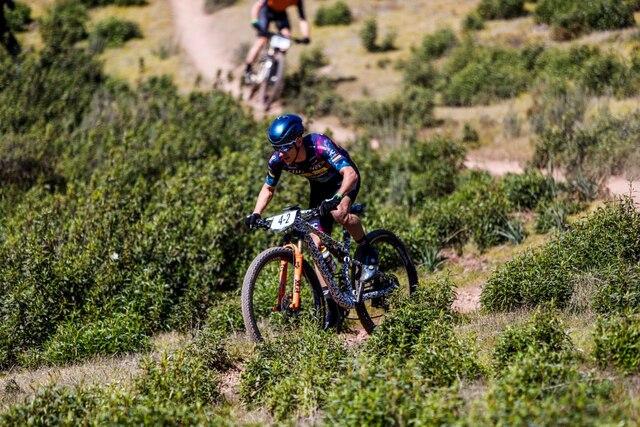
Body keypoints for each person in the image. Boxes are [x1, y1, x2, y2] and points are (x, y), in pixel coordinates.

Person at [245, 114, 378, 329]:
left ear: (298, 140)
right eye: (277, 148)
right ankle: (332, 305)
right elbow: (268, 188)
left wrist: (337, 197)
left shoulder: (319, 144)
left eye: (285, 148)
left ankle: (367, 248)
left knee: (338, 213)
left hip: (343, 181)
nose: (281, 154)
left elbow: (350, 174)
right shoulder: (278, 160)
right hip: (319, 189)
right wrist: (256, 213)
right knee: (315, 245)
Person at [243, 0, 310, 83]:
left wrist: (306, 36)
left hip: (280, 13)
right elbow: (257, 5)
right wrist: (254, 20)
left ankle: (276, 69)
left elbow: (302, 18)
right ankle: (248, 69)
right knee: (262, 39)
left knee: (286, 37)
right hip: (266, 10)